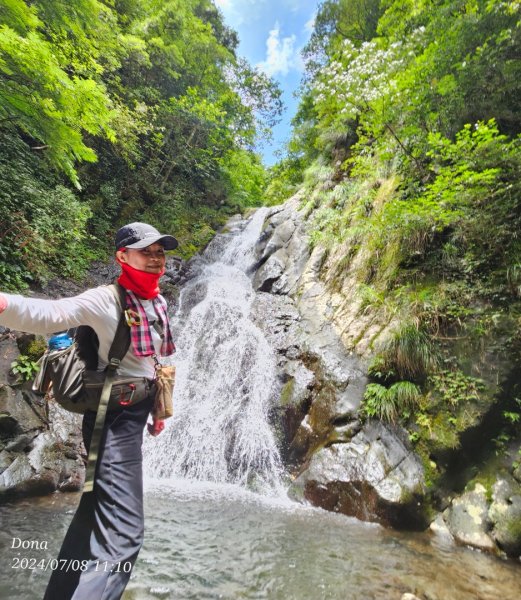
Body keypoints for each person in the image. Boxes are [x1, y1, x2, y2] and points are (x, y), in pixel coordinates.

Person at [0, 222, 178, 600]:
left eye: (160, 251)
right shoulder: (105, 299)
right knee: (124, 537)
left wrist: (158, 410)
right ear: (122, 256)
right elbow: (50, 314)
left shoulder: (156, 301)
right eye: (145, 251)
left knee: (90, 521)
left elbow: (150, 362)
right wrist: (4, 303)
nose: (155, 257)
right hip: (111, 422)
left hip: (132, 416)